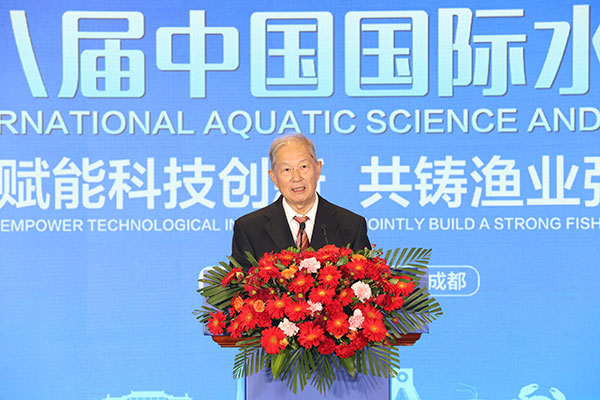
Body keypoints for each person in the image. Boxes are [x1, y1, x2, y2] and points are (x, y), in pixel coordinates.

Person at [231, 134, 371, 269]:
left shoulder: (351, 226)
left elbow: (366, 279)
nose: (296, 177)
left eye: (303, 167)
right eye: (286, 169)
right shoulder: (249, 230)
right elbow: (239, 283)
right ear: (273, 177)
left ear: (318, 169)